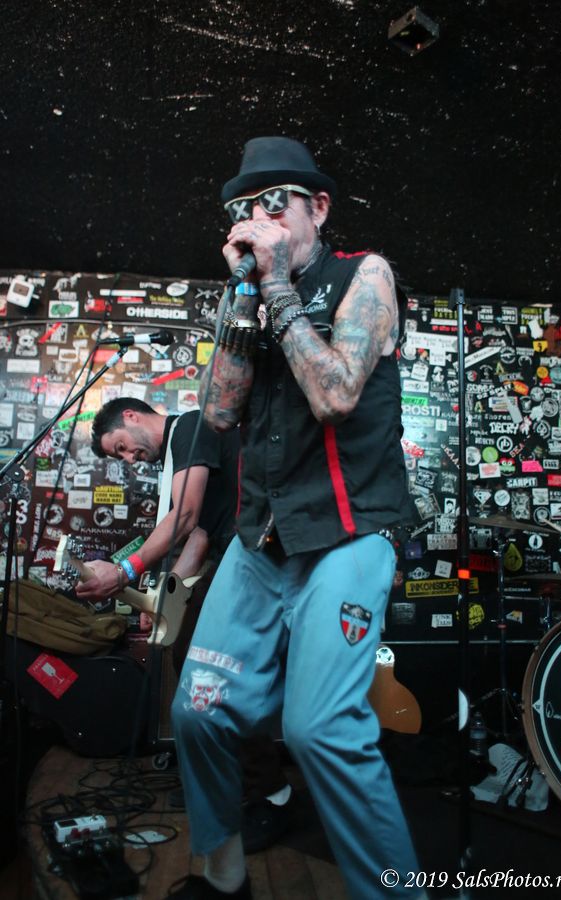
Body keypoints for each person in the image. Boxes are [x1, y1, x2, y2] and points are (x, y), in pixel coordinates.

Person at [170, 136, 421, 900]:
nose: (260, 218)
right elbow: (218, 413)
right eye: (247, 208)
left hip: (348, 533)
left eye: (276, 203)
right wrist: (243, 294)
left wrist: (277, 284)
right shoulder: (250, 295)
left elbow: (337, 394)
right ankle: (225, 877)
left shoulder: (364, 275)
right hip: (261, 537)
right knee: (197, 712)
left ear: (319, 209)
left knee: (320, 730)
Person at [76, 398, 292, 849]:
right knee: (190, 658)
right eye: (120, 456)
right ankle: (235, 779)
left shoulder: (192, 426)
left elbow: (187, 515)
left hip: (256, 556)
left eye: (122, 447)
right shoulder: (179, 453)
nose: (129, 459)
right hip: (229, 556)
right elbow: (199, 534)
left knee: (211, 670)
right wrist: (165, 596)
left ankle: (272, 793)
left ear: (131, 416)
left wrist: (124, 571)